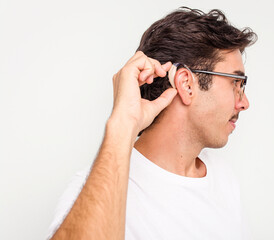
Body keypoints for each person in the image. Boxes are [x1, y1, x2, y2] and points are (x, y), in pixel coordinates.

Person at [47, 7, 257, 240]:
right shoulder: (93, 192)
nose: (244, 103)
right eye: (236, 83)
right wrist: (123, 123)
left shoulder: (223, 178)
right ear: (186, 85)